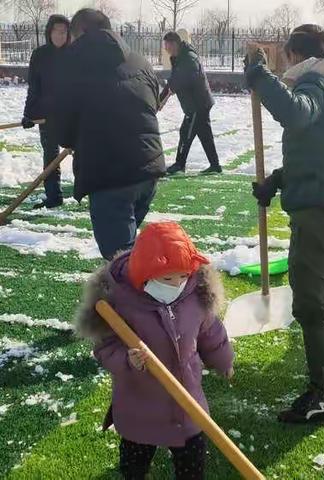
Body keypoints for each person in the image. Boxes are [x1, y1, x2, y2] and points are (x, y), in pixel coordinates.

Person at [245, 24, 324, 424]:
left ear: (297, 54)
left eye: (285, 56)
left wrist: (259, 76)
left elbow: (295, 116)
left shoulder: (315, 83)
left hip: (323, 218)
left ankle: (323, 394)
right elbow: (319, 154)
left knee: (313, 307)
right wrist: (278, 182)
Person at [76, 222, 234, 480]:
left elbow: (211, 333)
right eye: (167, 279)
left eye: (183, 276)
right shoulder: (120, 303)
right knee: (135, 463)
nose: (177, 284)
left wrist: (223, 360)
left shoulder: (195, 296)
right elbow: (106, 346)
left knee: (192, 463)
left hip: (187, 402)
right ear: (144, 276)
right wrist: (128, 361)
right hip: (140, 403)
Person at [53, 9, 166, 260]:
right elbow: (153, 103)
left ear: (79, 32)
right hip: (147, 169)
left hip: (110, 172)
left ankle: (135, 298)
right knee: (127, 252)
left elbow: (63, 120)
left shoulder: (73, 60)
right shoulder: (139, 59)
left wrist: (71, 139)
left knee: (120, 260)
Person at [22, 14, 70, 209]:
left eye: (65, 31)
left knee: (83, 155)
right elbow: (34, 87)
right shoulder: (40, 55)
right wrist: (29, 114)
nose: (61, 35)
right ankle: (53, 196)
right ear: (49, 33)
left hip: (72, 115)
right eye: (57, 31)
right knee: (50, 155)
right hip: (47, 116)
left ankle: (94, 194)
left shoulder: (75, 54)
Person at [161, 31, 222, 176]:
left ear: (174, 44)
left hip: (197, 104)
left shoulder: (188, 57)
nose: (166, 48)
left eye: (167, 45)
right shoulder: (180, 57)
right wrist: (162, 97)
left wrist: (166, 94)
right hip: (198, 103)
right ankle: (215, 165)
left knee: (186, 133)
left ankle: (180, 164)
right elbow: (175, 80)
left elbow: (181, 79)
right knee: (205, 134)